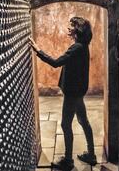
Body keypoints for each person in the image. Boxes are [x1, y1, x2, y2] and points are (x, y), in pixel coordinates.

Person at [29, 16, 97, 170]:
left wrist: (38, 51)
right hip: (78, 91)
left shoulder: (77, 47)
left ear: (77, 29)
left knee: (66, 124)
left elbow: (56, 62)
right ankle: (91, 155)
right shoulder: (83, 45)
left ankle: (67, 160)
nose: (69, 27)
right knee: (83, 120)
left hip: (73, 92)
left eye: (71, 25)